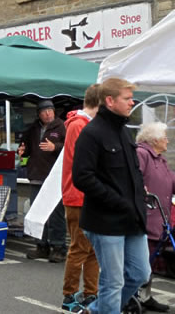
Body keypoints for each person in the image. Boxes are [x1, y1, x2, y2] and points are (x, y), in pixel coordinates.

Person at [73, 77, 151, 314]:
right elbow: (82, 177)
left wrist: (140, 195)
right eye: (127, 98)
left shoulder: (124, 131)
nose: (132, 102)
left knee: (140, 274)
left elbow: (134, 171)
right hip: (105, 221)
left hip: (132, 218)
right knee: (113, 282)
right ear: (110, 100)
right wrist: (116, 200)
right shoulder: (91, 133)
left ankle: (97, 309)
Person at [61, 84, 100, 312]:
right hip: (78, 196)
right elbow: (83, 163)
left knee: (93, 249)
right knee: (79, 248)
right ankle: (69, 296)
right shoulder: (78, 125)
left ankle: (90, 292)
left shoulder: (86, 125)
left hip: (88, 196)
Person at [19, 100, 66, 262]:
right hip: (36, 176)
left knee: (55, 214)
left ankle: (59, 247)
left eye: (50, 110)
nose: (48, 113)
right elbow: (27, 148)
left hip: (54, 178)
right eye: (44, 111)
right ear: (39, 114)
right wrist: (22, 151)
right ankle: (41, 246)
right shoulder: (34, 128)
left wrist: (56, 147)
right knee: (37, 212)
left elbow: (70, 147)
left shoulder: (62, 126)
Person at [135, 122, 174, 313]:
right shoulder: (142, 154)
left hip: (160, 219)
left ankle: (145, 296)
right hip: (146, 217)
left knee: (149, 261)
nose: (167, 140)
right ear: (155, 139)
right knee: (141, 262)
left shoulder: (161, 160)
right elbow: (135, 179)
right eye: (165, 137)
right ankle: (133, 296)